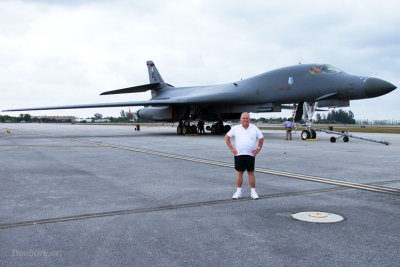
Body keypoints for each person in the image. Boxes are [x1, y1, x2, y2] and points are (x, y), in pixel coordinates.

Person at [225, 112, 264, 199]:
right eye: (243, 118)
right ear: (240, 119)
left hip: (250, 154)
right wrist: (231, 148)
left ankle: (253, 192)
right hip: (239, 154)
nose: (245, 120)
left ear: (249, 119)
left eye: (247, 118)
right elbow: (227, 137)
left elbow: (261, 138)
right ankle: (238, 192)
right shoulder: (236, 128)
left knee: (251, 173)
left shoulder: (254, 128)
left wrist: (258, 149)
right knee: (240, 173)